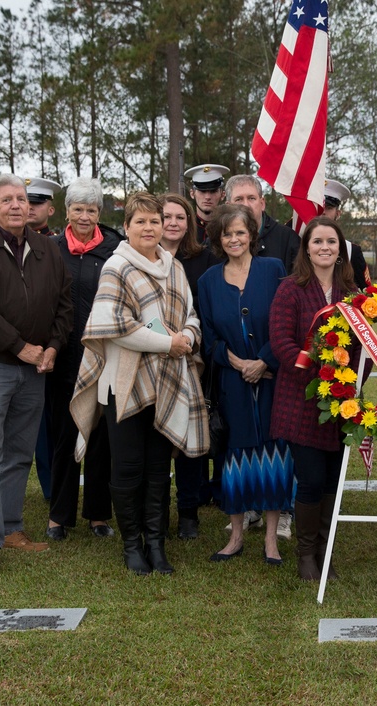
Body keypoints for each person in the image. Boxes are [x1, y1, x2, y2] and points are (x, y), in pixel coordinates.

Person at [71, 191, 207, 575]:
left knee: (158, 468)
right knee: (128, 467)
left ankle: (156, 543)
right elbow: (113, 328)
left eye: (155, 221)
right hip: (124, 383)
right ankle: (132, 546)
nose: (149, 228)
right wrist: (170, 343)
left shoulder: (174, 268)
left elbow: (191, 315)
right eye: (141, 222)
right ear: (127, 228)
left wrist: (190, 338)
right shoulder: (117, 267)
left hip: (167, 380)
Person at [0, 174, 73, 556]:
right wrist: (20, 346)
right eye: (7, 199)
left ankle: (10, 529)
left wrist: (53, 347)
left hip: (34, 368)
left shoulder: (46, 248)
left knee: (20, 452)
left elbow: (63, 304)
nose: (16, 206)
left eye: (21, 199)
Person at [198, 204, 293, 566]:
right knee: (234, 458)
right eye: (226, 234)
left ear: (251, 235)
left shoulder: (273, 270)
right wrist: (236, 362)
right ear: (218, 239)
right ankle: (236, 536)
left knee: (274, 454)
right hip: (232, 383)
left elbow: (286, 322)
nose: (234, 239)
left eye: (240, 232)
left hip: (271, 379)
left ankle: (271, 539)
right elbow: (207, 337)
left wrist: (264, 360)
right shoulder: (208, 281)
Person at [270, 216, 358, 580]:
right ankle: (306, 555)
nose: (325, 247)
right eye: (317, 241)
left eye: (331, 242)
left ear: (340, 250)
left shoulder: (353, 294)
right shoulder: (290, 289)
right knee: (310, 479)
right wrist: (319, 377)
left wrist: (348, 381)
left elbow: (362, 348)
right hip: (301, 401)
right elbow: (281, 343)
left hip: (341, 402)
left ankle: (325, 550)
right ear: (306, 248)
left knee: (333, 481)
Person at [44, 177, 122, 541]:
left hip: (102, 360)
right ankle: (58, 516)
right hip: (62, 359)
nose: (85, 216)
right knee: (62, 437)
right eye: (78, 209)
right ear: (66, 211)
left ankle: (97, 514)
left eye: (91, 210)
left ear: (99, 213)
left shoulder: (114, 250)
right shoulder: (50, 249)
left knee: (100, 437)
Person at [159, 192, 220, 539]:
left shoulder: (205, 259)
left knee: (188, 438)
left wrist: (188, 341)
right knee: (156, 440)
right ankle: (158, 511)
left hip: (191, 359)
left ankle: (188, 512)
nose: (172, 223)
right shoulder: (142, 257)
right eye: (166, 216)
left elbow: (206, 310)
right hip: (150, 358)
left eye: (180, 217)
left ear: (190, 223)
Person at [25, 176, 62, 502]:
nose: (30, 208)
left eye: (36, 203)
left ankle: (54, 488)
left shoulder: (58, 245)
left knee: (52, 423)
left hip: (53, 348)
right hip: (17, 349)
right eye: (26, 202)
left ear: (50, 208)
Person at [225, 174, 300, 271]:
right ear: (228, 206)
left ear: (262, 204)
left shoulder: (288, 240)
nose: (246, 205)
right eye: (239, 199)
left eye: (251, 198)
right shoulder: (216, 243)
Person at [324, 178, 370, 289]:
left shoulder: (351, 251)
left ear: (338, 213)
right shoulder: (295, 244)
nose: (323, 212)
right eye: (319, 207)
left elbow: (365, 294)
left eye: (329, 208)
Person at [184, 164, 229, 242]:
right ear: (192, 194)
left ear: (222, 195)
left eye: (213, 191)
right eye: (202, 191)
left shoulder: (229, 226)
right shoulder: (185, 228)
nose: (207, 197)